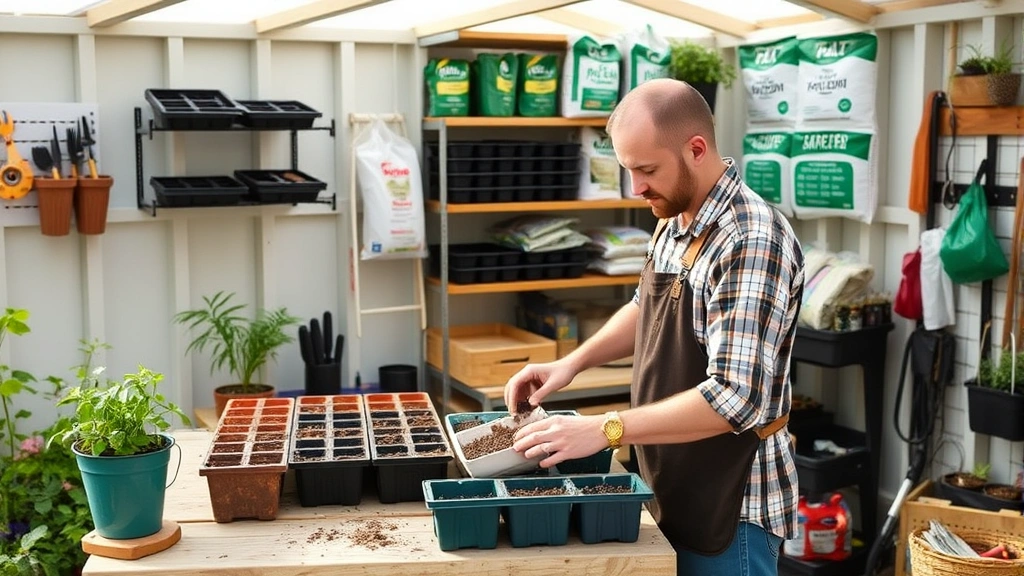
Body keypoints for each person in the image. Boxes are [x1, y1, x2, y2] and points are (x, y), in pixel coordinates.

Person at [504, 78, 804, 576]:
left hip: (731, 506)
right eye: (629, 170)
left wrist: (606, 428)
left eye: (646, 170)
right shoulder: (675, 215)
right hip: (672, 479)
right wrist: (571, 363)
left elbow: (738, 397)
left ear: (696, 149)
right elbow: (647, 307)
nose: (636, 188)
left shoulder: (751, 239)